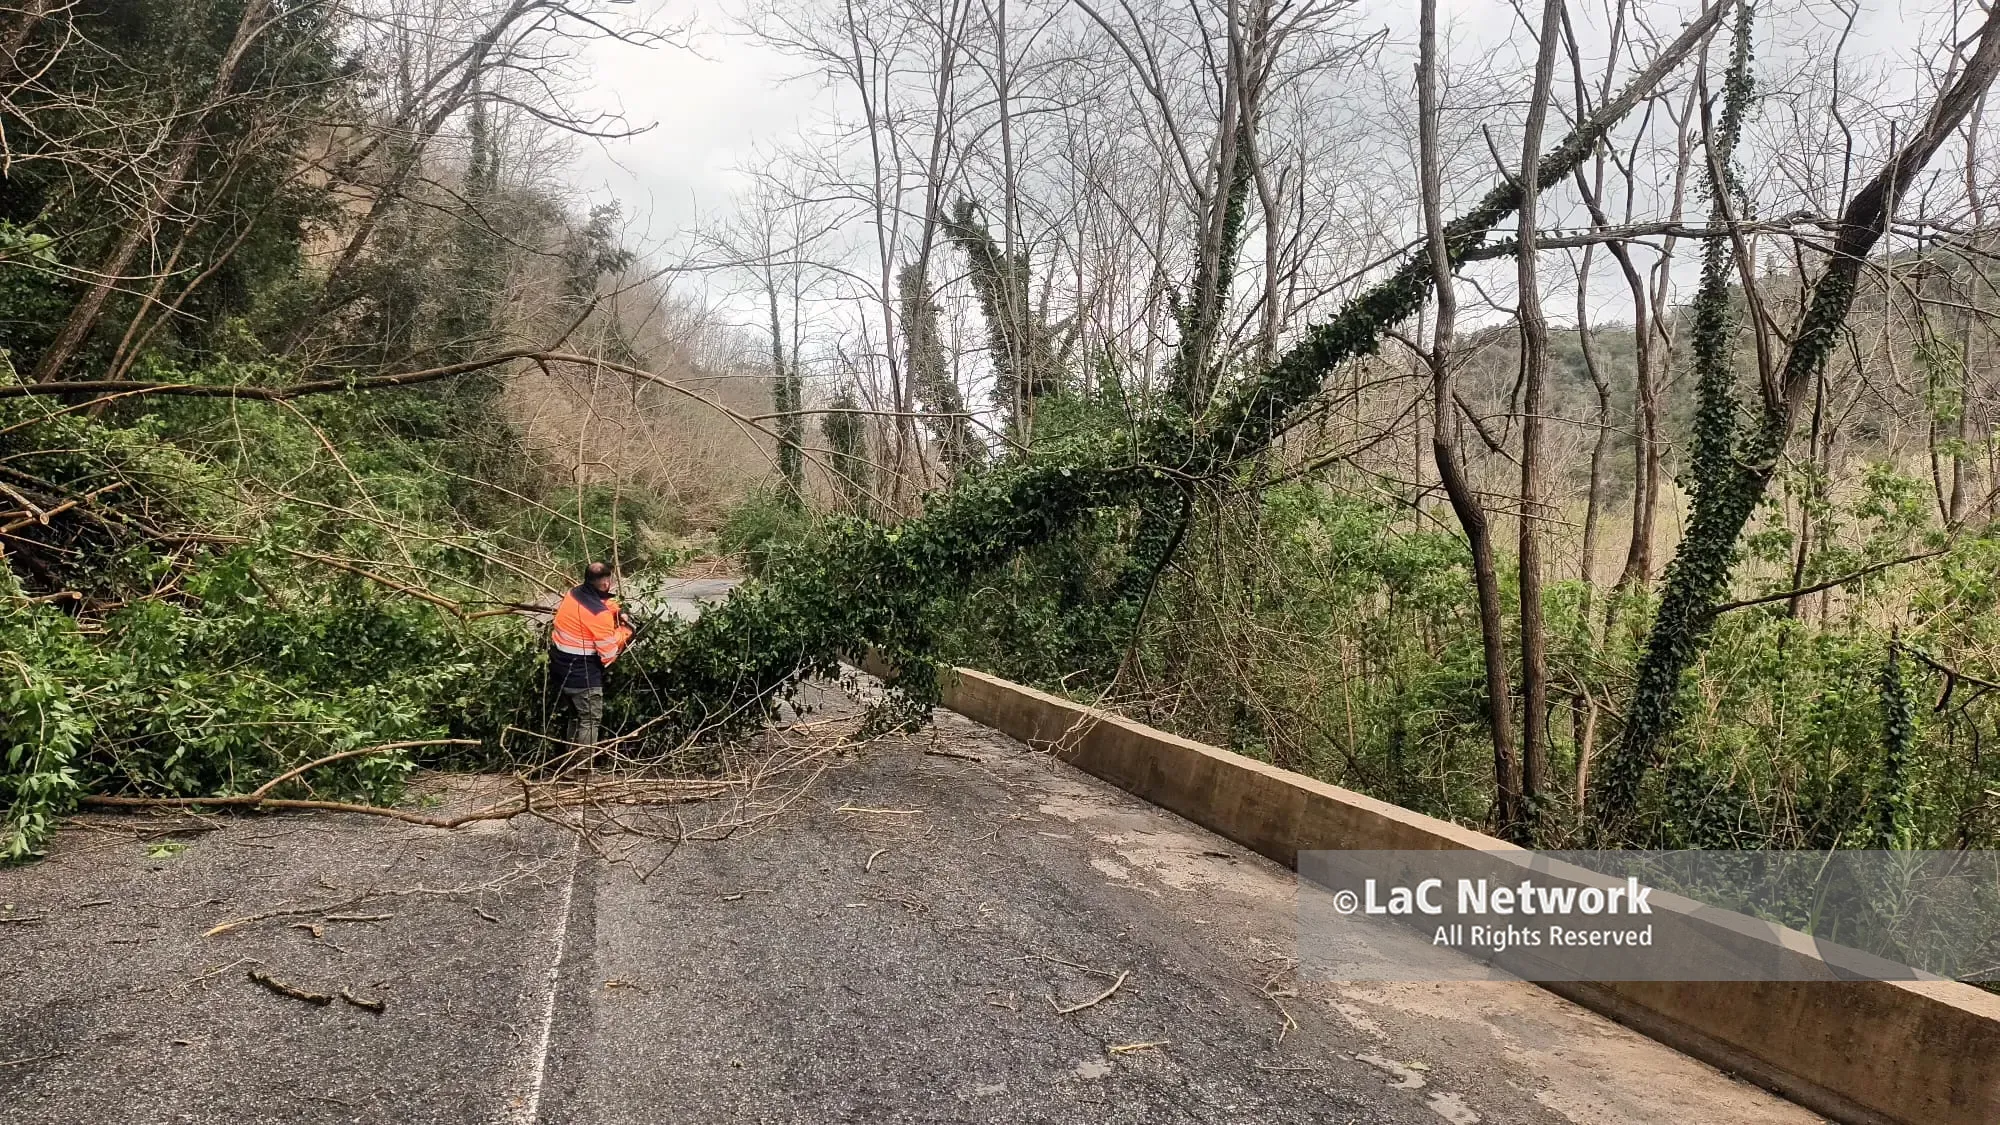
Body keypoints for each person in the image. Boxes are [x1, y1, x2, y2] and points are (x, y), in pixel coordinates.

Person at [548, 561, 635, 751]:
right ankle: (583, 769)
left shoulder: (573, 594)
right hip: (582, 674)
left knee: (575, 717)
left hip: (559, 668)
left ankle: (569, 764)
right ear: (605, 583)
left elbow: (601, 603)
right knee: (589, 720)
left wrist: (617, 611)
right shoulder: (599, 615)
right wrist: (625, 632)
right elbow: (609, 654)